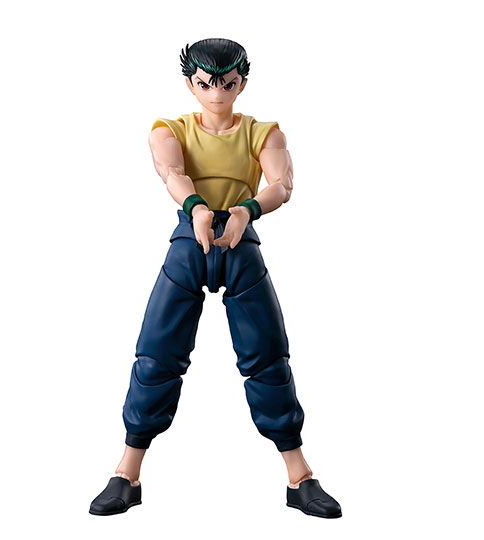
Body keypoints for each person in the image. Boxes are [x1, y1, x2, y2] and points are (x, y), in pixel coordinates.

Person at [89, 38, 341, 519]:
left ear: (241, 82)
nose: (217, 93)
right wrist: (197, 208)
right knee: (157, 353)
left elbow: (282, 184)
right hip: (191, 240)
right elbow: (170, 169)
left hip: (239, 243)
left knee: (268, 355)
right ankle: (127, 472)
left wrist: (246, 211)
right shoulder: (171, 129)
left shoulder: (263, 133)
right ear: (191, 84)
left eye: (227, 83)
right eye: (206, 84)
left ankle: (299, 476)